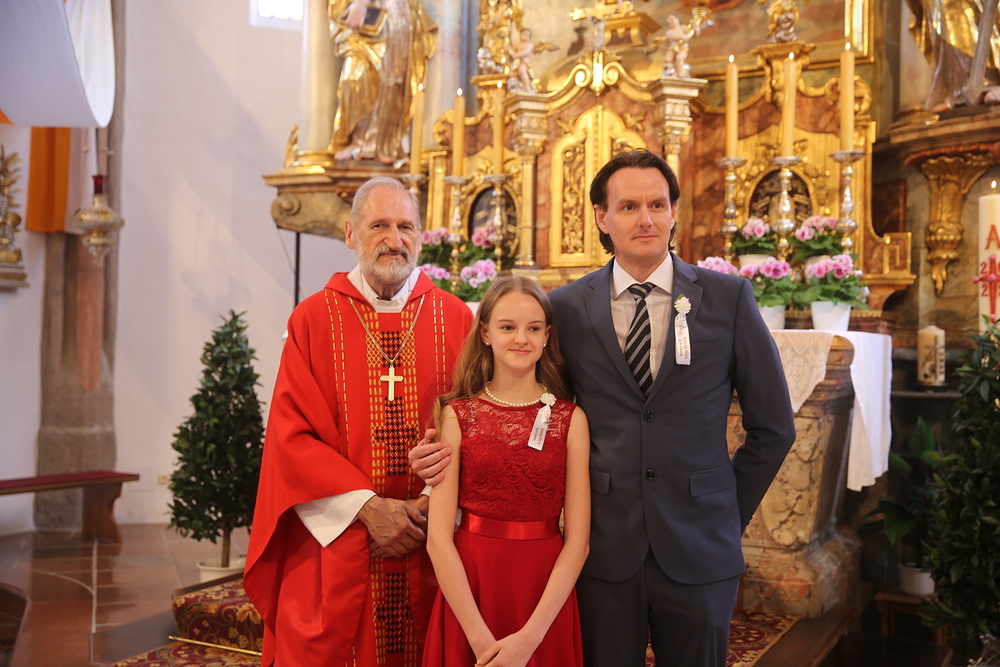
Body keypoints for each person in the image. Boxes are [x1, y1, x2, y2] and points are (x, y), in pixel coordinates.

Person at [411, 149, 795, 667]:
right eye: (629, 206)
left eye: (657, 205)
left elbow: (774, 427)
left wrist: (725, 512)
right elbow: (533, 406)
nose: (646, 219)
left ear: (675, 213)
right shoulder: (568, 308)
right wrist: (448, 453)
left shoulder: (729, 299)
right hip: (603, 550)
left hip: (701, 543)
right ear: (602, 217)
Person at [244, 176, 474, 667]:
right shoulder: (312, 320)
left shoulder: (456, 320)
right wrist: (368, 508)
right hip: (340, 541)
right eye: (379, 226)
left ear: (420, 235)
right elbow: (291, 437)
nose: (395, 239)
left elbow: (479, 426)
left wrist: (427, 506)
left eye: (406, 226)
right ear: (350, 234)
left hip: (433, 540)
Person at [421, 276, 590, 667]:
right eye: (508, 327)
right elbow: (438, 540)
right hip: (471, 590)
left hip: (543, 596)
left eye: (533, 328)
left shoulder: (571, 420)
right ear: (485, 333)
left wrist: (530, 639)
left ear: (547, 336)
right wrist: (480, 641)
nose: (521, 339)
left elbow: (578, 542)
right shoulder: (457, 416)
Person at [329, 0, 437, 163]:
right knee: (355, 79)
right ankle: (358, 141)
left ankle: (385, 145)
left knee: (394, 81)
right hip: (372, 14)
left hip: (399, 14)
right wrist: (361, 3)